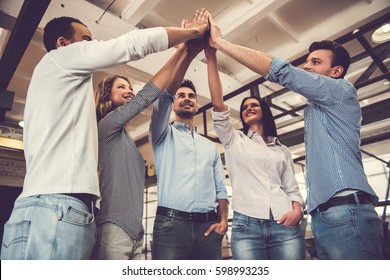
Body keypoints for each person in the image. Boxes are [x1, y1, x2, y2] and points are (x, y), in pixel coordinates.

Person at [0, 10, 210, 260]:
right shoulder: (102, 119)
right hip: (58, 210)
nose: (130, 91)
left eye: (130, 87)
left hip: (89, 218)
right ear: (62, 43)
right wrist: (191, 35)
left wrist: (186, 51)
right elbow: (135, 58)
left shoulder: (92, 123)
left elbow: (155, 94)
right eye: (86, 39)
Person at [207, 16, 384, 259]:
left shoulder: (341, 91)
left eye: (315, 62)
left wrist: (219, 42)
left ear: (336, 71)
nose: (307, 66)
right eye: (307, 61)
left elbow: (281, 71)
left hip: (346, 212)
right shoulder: (314, 110)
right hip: (324, 217)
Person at [205, 43, 306, 260]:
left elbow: (291, 188)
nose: (248, 108)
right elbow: (218, 106)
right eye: (244, 108)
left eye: (254, 105)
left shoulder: (282, 150)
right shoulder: (234, 139)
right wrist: (211, 58)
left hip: (284, 222)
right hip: (246, 227)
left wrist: (298, 209)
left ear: (265, 112)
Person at [149, 38, 229, 260]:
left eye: (191, 96)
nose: (186, 99)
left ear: (196, 104)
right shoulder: (162, 134)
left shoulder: (210, 147)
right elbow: (163, 98)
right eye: (181, 96)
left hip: (208, 228)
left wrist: (223, 219)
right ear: (173, 104)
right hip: (171, 227)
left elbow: (221, 188)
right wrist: (188, 52)